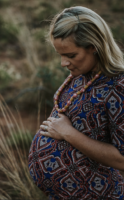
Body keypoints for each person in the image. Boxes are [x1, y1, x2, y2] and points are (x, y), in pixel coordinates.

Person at [28, 6, 124, 200]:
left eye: (71, 55)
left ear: (94, 47)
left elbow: (122, 159)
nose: (63, 63)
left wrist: (67, 133)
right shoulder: (82, 75)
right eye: (60, 55)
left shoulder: (118, 87)